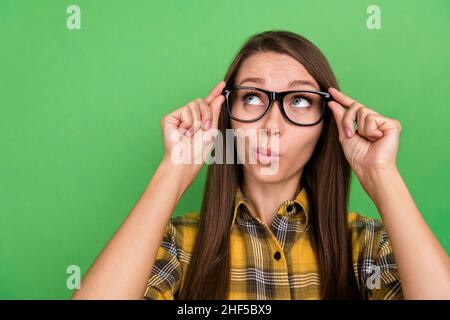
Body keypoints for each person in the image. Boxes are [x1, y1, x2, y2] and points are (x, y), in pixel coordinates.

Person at [72, 30, 450, 300]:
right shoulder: (178, 246)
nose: (272, 125)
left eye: (300, 100)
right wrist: (176, 166)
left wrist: (382, 175)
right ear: (227, 117)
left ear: (327, 125)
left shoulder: (367, 245)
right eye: (252, 97)